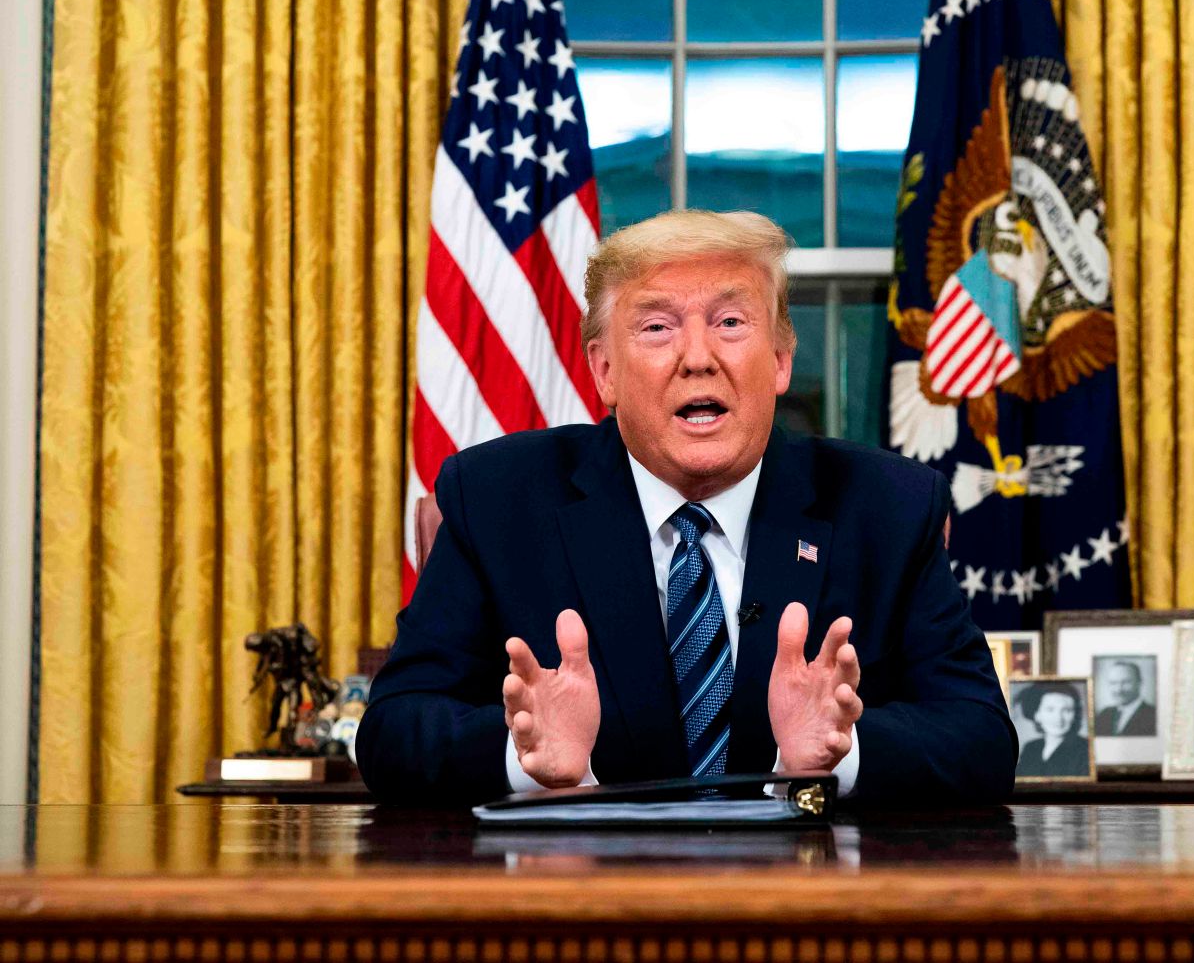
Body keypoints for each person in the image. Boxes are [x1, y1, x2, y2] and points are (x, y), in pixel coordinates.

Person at [355, 209, 1017, 806]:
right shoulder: (498, 499)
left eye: (731, 322)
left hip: (813, 912)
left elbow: (981, 738)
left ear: (781, 360)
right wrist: (522, 755)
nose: (697, 358)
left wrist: (842, 751)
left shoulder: (888, 508)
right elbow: (392, 729)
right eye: (656, 327)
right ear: (605, 371)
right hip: (584, 913)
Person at [1014, 682, 1090, 778]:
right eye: (1050, 709)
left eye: (1067, 710)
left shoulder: (1085, 748)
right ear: (1037, 714)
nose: (1058, 718)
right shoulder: (1031, 748)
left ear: (1075, 715)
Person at [1092, 660, 1156, 737]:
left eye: (1126, 682)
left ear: (1139, 682)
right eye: (1113, 683)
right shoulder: (1104, 715)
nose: (1119, 689)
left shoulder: (1153, 716)